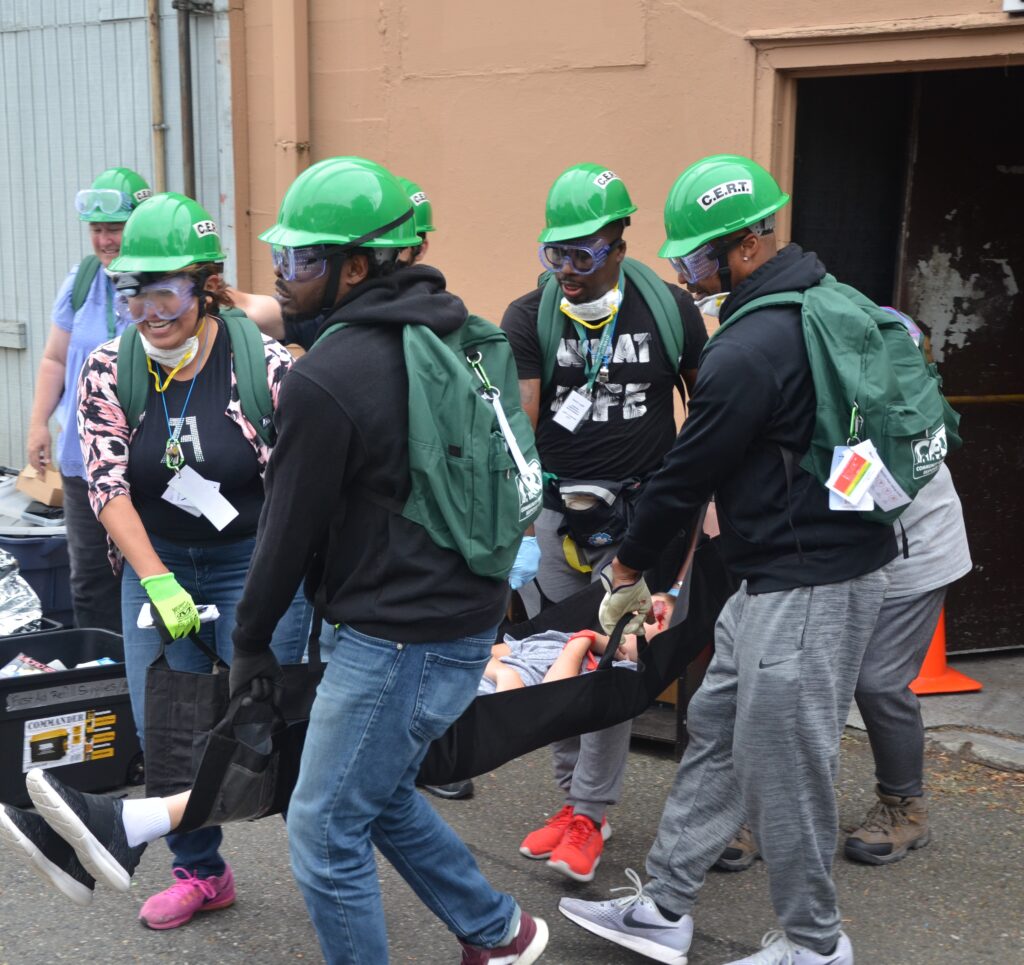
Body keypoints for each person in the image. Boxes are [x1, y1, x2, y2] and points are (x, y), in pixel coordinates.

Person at [559, 154, 900, 965]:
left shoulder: (751, 345)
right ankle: (668, 904)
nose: (685, 272)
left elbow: (687, 473)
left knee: (788, 762)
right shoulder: (815, 300)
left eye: (692, 258)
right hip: (782, 572)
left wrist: (630, 571)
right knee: (716, 722)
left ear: (741, 249)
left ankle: (815, 946)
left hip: (812, 578)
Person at [224, 156, 547, 964]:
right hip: (462, 621)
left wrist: (251, 640)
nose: (284, 278)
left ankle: (493, 931)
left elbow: (284, 534)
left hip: (394, 639)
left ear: (355, 267)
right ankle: (498, 931)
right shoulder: (448, 330)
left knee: (325, 827)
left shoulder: (328, 379)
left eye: (301, 261)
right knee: (378, 791)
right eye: (281, 259)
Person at [76, 191, 311, 930]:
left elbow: (295, 488)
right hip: (160, 561)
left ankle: (326, 847)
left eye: (166, 291)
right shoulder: (110, 369)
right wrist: (156, 576)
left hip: (256, 559)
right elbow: (107, 484)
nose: (149, 310)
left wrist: (278, 586)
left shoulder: (262, 366)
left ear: (205, 287)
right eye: (132, 291)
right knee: (168, 736)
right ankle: (202, 871)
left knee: (263, 722)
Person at [500, 162, 708, 882]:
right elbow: (525, 422)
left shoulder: (671, 310)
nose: (567, 270)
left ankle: (591, 809)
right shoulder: (529, 317)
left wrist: (696, 500)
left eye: (583, 254)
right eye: (554, 253)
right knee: (562, 653)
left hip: (641, 517)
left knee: (612, 656)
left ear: (620, 243)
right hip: (562, 516)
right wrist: (515, 517)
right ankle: (571, 804)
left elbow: (706, 410)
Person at [25, 166, 152, 632]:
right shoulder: (81, 282)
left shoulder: (166, 284)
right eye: (97, 230)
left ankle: (161, 683)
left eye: (114, 228)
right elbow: (55, 359)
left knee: (150, 576)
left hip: (148, 465)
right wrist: (39, 423)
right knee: (92, 583)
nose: (104, 240)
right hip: (84, 466)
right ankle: (105, 679)